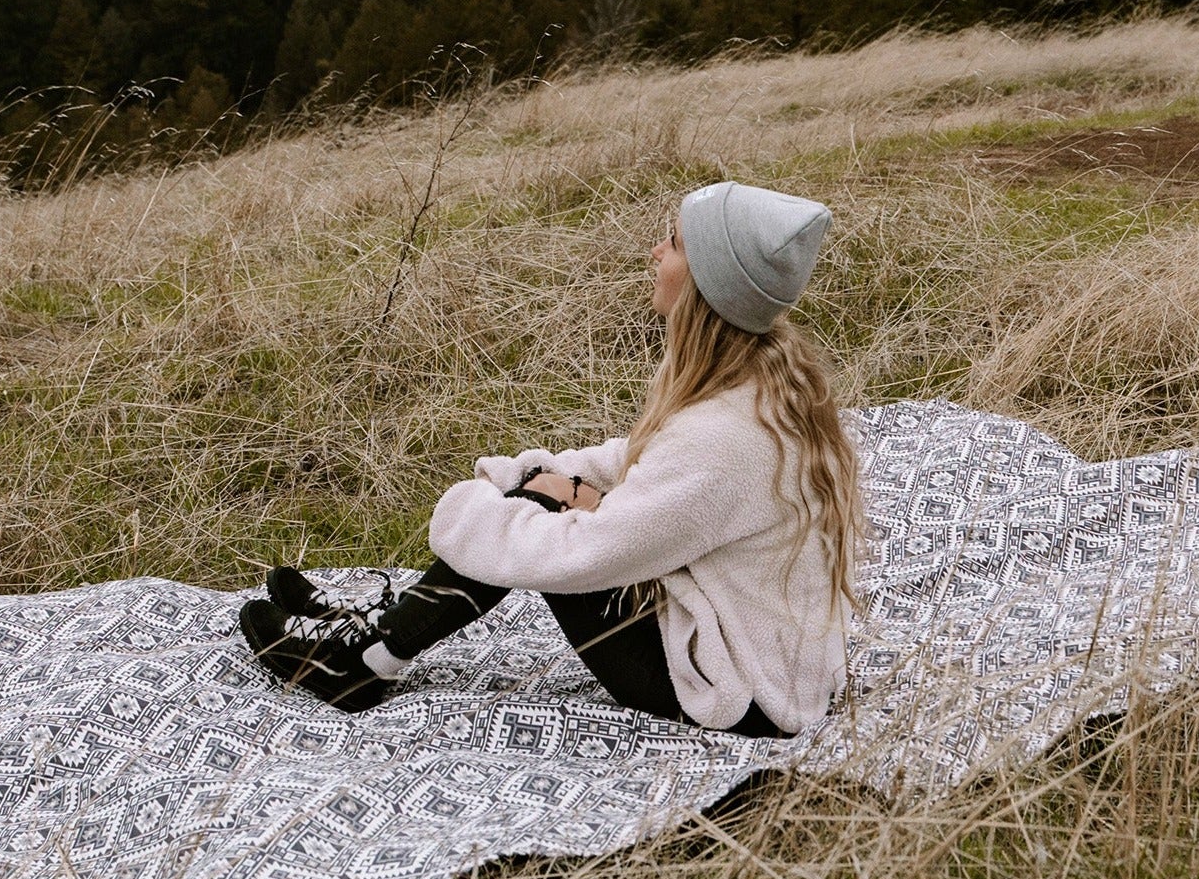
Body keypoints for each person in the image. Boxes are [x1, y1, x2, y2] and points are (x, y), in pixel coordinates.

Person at [241, 179, 862, 737]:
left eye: (673, 243)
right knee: (543, 497)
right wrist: (543, 476)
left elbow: (584, 556)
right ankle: (380, 634)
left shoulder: (722, 438)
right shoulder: (759, 384)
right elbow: (641, 462)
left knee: (539, 523)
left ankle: (360, 664)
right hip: (765, 658)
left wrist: (499, 509)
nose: (655, 252)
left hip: (738, 692)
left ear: (707, 284)